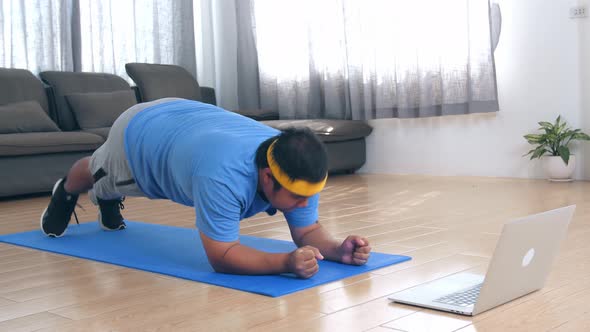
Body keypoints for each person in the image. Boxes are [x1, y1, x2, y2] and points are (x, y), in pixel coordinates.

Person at [40, 98, 371, 278]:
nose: (304, 204)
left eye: (309, 195)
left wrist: (336, 249)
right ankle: (68, 191)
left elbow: (308, 230)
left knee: (109, 185)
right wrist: (284, 263)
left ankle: (108, 198)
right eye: (298, 197)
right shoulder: (221, 177)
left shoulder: (293, 166)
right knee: (100, 175)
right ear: (267, 177)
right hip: (141, 133)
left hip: (189, 119)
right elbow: (222, 257)